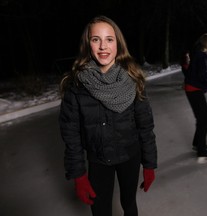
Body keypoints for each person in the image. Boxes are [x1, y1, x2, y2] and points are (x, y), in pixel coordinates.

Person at [59, 16, 157, 216]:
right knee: (101, 211)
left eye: (109, 39)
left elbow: (145, 126)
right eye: (96, 39)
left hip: (130, 155)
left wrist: (149, 164)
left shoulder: (133, 79)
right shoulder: (76, 85)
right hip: (99, 160)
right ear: (88, 44)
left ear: (118, 43)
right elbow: (71, 134)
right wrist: (78, 174)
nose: (103, 46)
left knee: (129, 204)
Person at [183, 33, 207, 164]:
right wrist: (206, 85)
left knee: (202, 117)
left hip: (192, 88)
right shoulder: (201, 56)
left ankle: (198, 144)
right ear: (206, 44)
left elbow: (190, 71)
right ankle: (202, 152)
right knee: (205, 116)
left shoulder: (196, 53)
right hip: (194, 89)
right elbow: (201, 75)